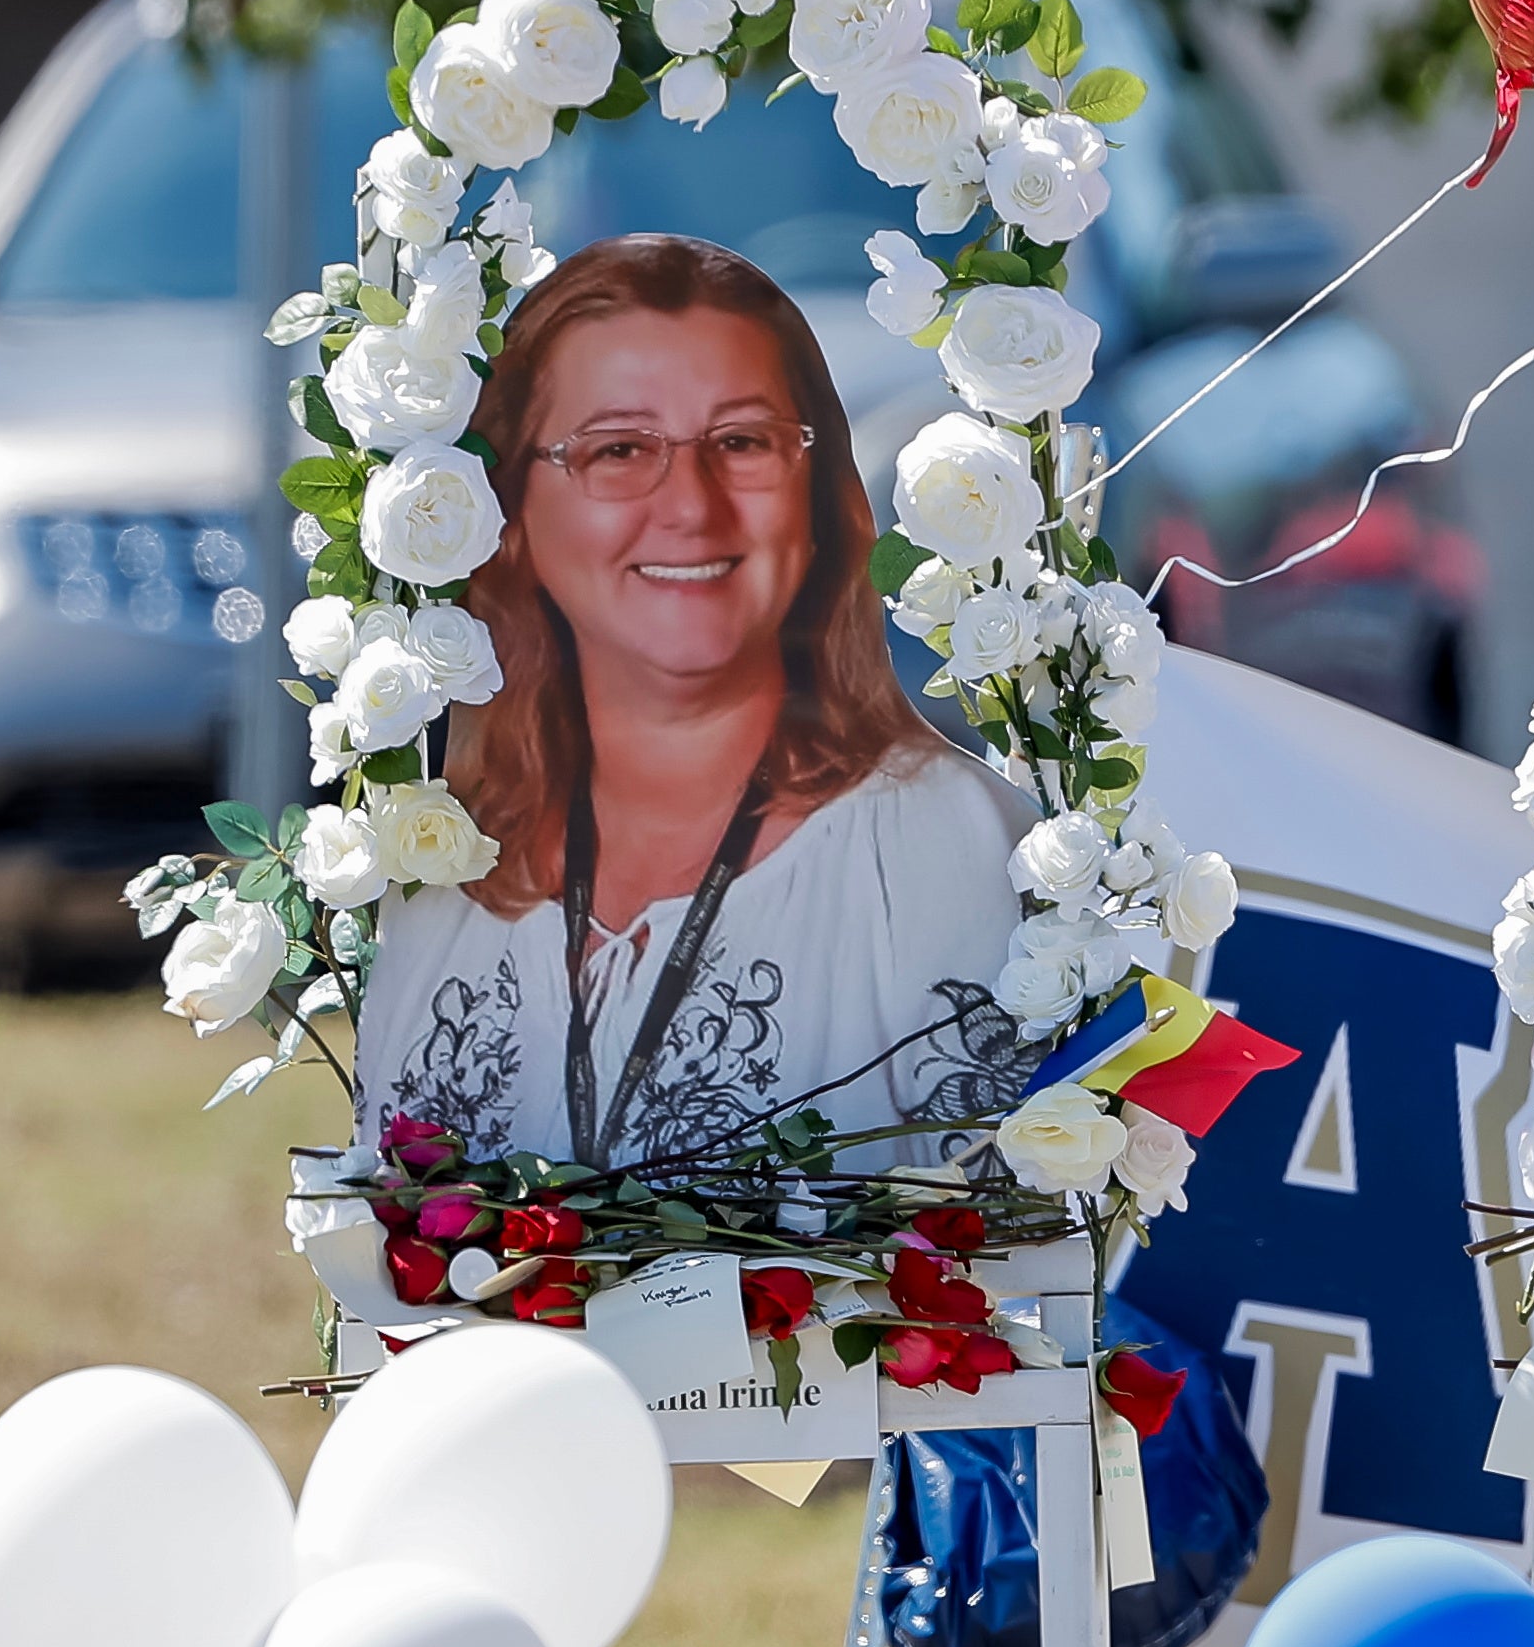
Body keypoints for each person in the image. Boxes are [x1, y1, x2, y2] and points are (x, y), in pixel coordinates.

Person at [359, 235, 1032, 1171]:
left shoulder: (935, 841)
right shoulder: (448, 857)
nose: (691, 506)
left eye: (743, 441)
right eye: (619, 448)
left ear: (817, 488)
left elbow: (1017, 1267)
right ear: (506, 515)